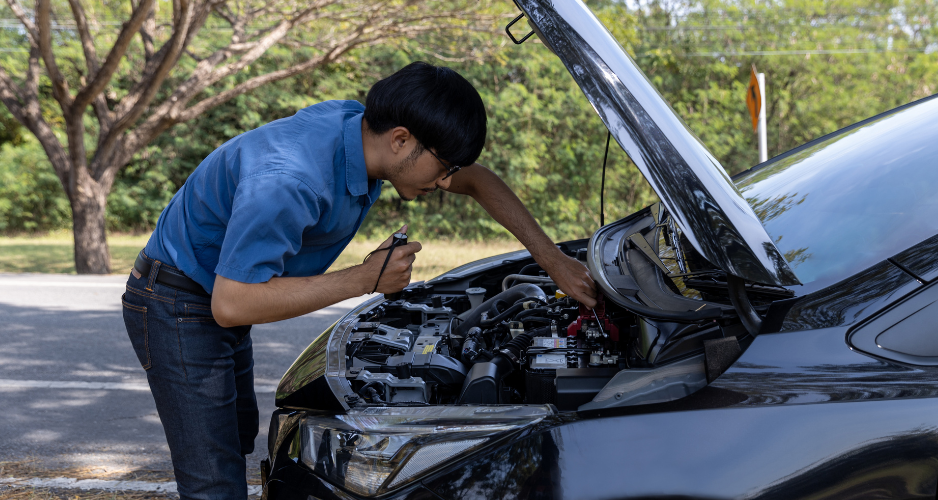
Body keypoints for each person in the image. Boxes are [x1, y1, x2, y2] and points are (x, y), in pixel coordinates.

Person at [120, 61, 597, 499]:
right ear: (401, 139)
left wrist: (553, 260)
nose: (448, 181)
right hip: (177, 301)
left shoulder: (360, 127)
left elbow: (477, 180)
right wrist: (365, 278)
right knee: (212, 479)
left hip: (213, 290)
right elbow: (232, 303)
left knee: (236, 437)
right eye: (445, 167)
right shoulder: (291, 181)